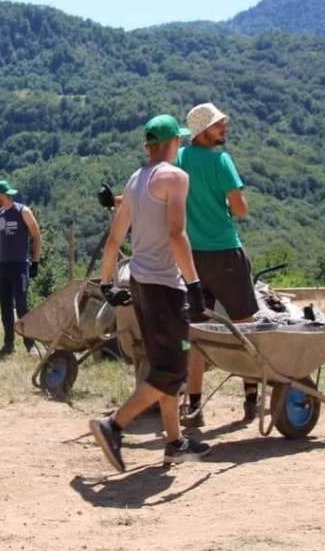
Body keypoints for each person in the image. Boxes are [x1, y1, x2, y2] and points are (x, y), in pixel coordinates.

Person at [89, 114, 210, 472]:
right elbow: (177, 235)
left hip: (138, 283)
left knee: (163, 367)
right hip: (164, 288)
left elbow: (114, 239)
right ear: (174, 143)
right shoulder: (176, 177)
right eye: (180, 142)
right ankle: (113, 425)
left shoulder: (136, 180)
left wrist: (107, 285)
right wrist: (194, 285)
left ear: (147, 146)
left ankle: (174, 442)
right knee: (173, 371)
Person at [179, 103, 260, 426]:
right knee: (244, 325)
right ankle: (251, 395)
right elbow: (240, 210)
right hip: (225, 252)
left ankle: (194, 404)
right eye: (217, 125)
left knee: (196, 331)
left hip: (191, 257)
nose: (224, 128)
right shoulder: (221, 160)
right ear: (202, 132)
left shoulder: (179, 159)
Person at [0, 180, 42, 356]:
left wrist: (36, 261)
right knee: (5, 306)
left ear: (0, 196)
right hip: (3, 266)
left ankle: (30, 345)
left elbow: (37, 236)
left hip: (19, 266)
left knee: (22, 305)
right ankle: (8, 345)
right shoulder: (0, 214)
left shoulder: (23, 211)